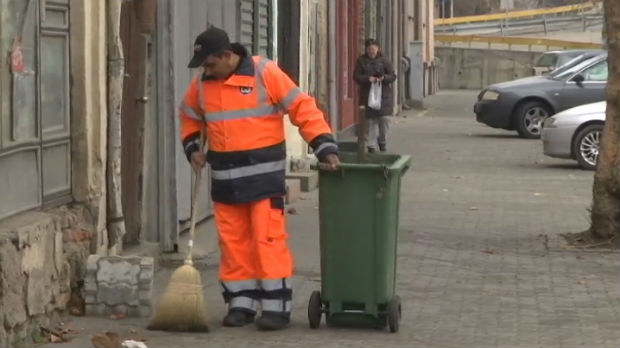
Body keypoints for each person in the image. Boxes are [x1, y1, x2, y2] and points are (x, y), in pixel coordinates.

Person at [178, 26, 340, 331]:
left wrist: (323, 145)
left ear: (227, 56)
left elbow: (301, 107)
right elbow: (188, 115)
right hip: (226, 181)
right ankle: (240, 304)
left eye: (210, 64)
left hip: (264, 181)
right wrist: (192, 148)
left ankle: (276, 307)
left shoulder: (265, 73)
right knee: (233, 243)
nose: (205, 71)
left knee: (268, 240)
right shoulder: (202, 85)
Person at [353, 39, 396, 152]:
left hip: (384, 96)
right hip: (367, 95)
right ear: (366, 50)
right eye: (369, 49)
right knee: (370, 120)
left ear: (378, 49)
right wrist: (368, 79)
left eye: (373, 49)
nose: (371, 51)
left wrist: (384, 78)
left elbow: (392, 76)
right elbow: (356, 76)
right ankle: (371, 145)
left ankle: (382, 140)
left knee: (384, 119)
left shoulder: (385, 61)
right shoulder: (361, 61)